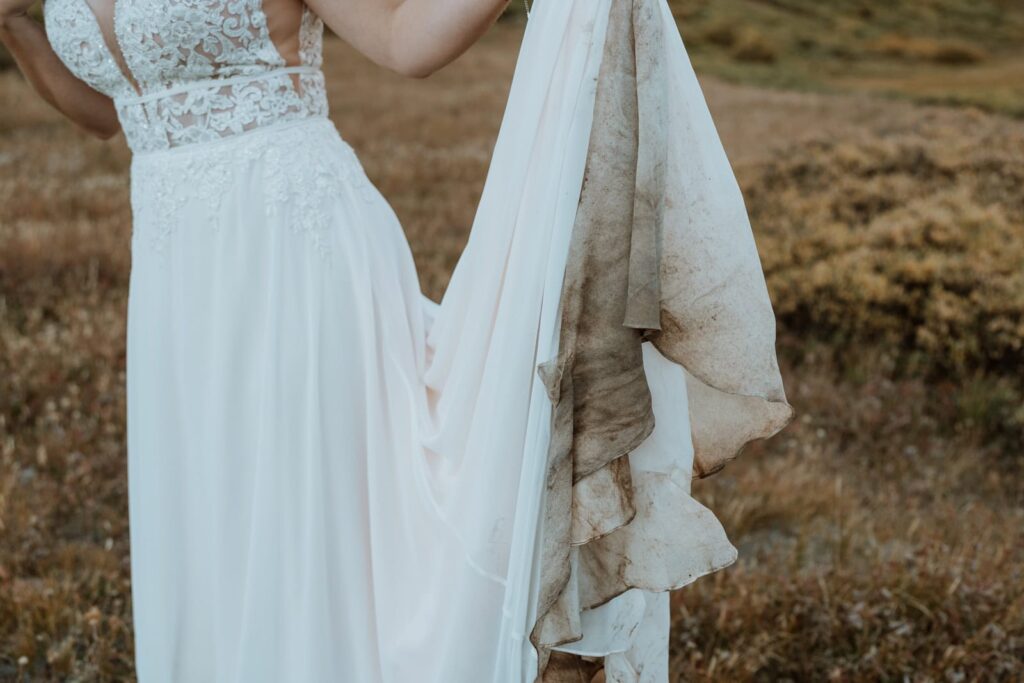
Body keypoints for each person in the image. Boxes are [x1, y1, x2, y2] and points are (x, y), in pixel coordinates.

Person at [1, 0, 792, 680]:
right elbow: (110, 111)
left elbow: (405, 37)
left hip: (291, 261)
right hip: (179, 285)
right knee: (214, 517)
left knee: (312, 523)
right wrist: (15, 26)